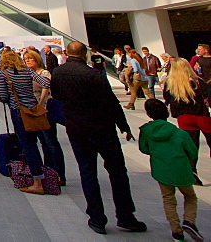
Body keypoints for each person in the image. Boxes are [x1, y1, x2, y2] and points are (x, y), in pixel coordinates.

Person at [51, 41, 146, 235]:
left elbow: (57, 96)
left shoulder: (58, 73)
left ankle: (96, 218)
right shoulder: (93, 74)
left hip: (77, 128)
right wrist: (124, 126)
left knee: (87, 172)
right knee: (117, 171)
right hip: (102, 128)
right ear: (85, 54)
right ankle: (125, 215)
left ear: (67, 54)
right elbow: (111, 102)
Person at [138, 98, 202, 242]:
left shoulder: (146, 131)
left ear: (148, 114)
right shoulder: (179, 133)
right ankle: (189, 221)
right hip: (181, 168)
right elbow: (193, 152)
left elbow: (144, 149)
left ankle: (176, 231)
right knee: (190, 196)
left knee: (168, 198)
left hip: (161, 169)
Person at [0, 50, 53, 195]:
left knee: (27, 145)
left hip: (19, 111)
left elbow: (3, 96)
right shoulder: (28, 71)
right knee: (36, 142)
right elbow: (45, 82)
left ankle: (37, 181)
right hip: (33, 108)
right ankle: (44, 174)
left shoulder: (4, 73)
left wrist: (12, 96)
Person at [163, 57, 211, 186]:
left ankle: (192, 172)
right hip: (201, 115)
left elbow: (166, 97)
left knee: (191, 146)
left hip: (184, 118)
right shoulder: (197, 81)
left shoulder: (170, 83)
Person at [23, 49, 66, 185]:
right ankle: (48, 170)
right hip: (34, 110)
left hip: (45, 109)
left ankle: (58, 173)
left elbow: (46, 88)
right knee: (43, 141)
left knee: (50, 141)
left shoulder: (44, 73)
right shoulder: (28, 73)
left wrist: (41, 104)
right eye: (26, 59)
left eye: (30, 58)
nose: (28, 61)